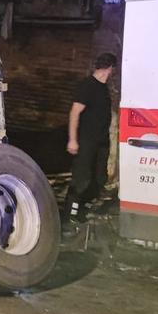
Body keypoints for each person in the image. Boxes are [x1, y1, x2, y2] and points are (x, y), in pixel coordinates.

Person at [66, 52, 117, 221]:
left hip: (101, 142)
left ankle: (82, 210)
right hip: (86, 141)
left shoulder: (103, 88)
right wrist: (72, 139)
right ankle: (70, 216)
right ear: (109, 69)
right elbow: (75, 112)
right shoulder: (87, 86)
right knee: (81, 179)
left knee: (99, 179)